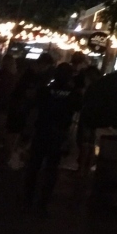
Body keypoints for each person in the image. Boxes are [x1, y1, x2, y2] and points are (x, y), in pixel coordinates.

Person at [20, 63, 82, 212]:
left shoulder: (45, 91)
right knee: (52, 168)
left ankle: (27, 198)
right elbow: (78, 110)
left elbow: (32, 107)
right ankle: (43, 203)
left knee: (34, 166)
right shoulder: (73, 94)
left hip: (42, 130)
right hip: (59, 133)